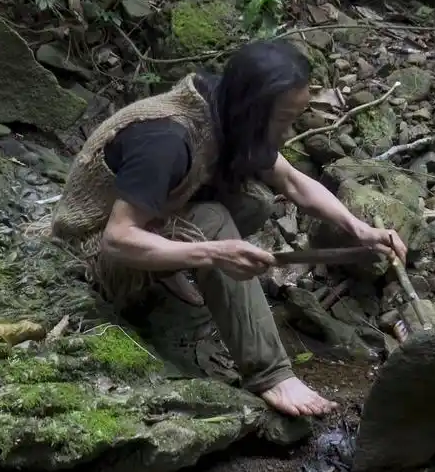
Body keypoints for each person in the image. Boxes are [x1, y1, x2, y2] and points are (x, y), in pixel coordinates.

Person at [50, 39, 408, 417]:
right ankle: (270, 374)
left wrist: (359, 229)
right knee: (216, 221)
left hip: (151, 217)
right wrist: (214, 252)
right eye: (284, 121)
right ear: (254, 111)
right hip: (90, 252)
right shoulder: (167, 139)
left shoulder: (228, 109)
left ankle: (168, 268)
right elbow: (117, 239)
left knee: (257, 201)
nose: (287, 135)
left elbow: (294, 183)